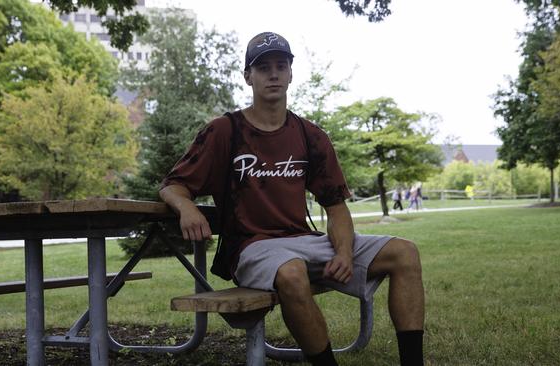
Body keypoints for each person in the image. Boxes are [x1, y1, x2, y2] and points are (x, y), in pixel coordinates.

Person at [159, 31, 425, 366]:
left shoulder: (309, 136)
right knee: (292, 272)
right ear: (248, 76)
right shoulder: (225, 131)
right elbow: (172, 184)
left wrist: (343, 251)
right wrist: (186, 207)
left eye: (281, 66)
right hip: (251, 247)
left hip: (303, 240)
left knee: (404, 252)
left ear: (290, 74)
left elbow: (335, 205)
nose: (273, 73)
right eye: (263, 67)